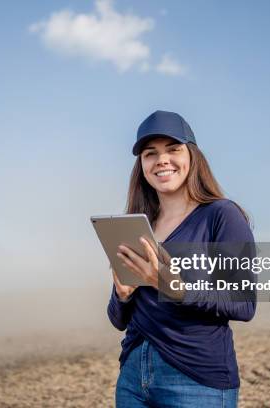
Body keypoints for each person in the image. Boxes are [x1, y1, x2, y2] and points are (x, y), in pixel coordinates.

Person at [107, 110, 256, 408]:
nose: (161, 160)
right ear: (142, 166)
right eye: (150, 154)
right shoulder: (137, 224)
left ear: (192, 156)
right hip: (134, 377)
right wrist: (121, 296)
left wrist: (170, 285)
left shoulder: (221, 215)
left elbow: (244, 303)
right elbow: (118, 319)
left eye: (173, 149)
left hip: (196, 379)